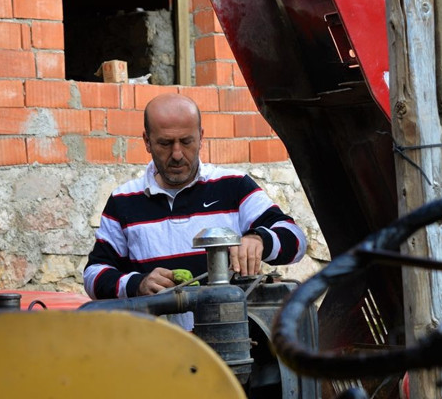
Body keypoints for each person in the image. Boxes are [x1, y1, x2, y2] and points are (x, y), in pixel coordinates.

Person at [83, 93, 307, 328]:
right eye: (165, 143)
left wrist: (260, 240)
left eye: (186, 141)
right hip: (155, 344)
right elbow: (93, 275)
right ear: (147, 141)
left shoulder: (233, 186)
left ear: (201, 138)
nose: (177, 154)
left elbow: (296, 240)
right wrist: (136, 285)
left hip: (233, 341)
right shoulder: (123, 200)